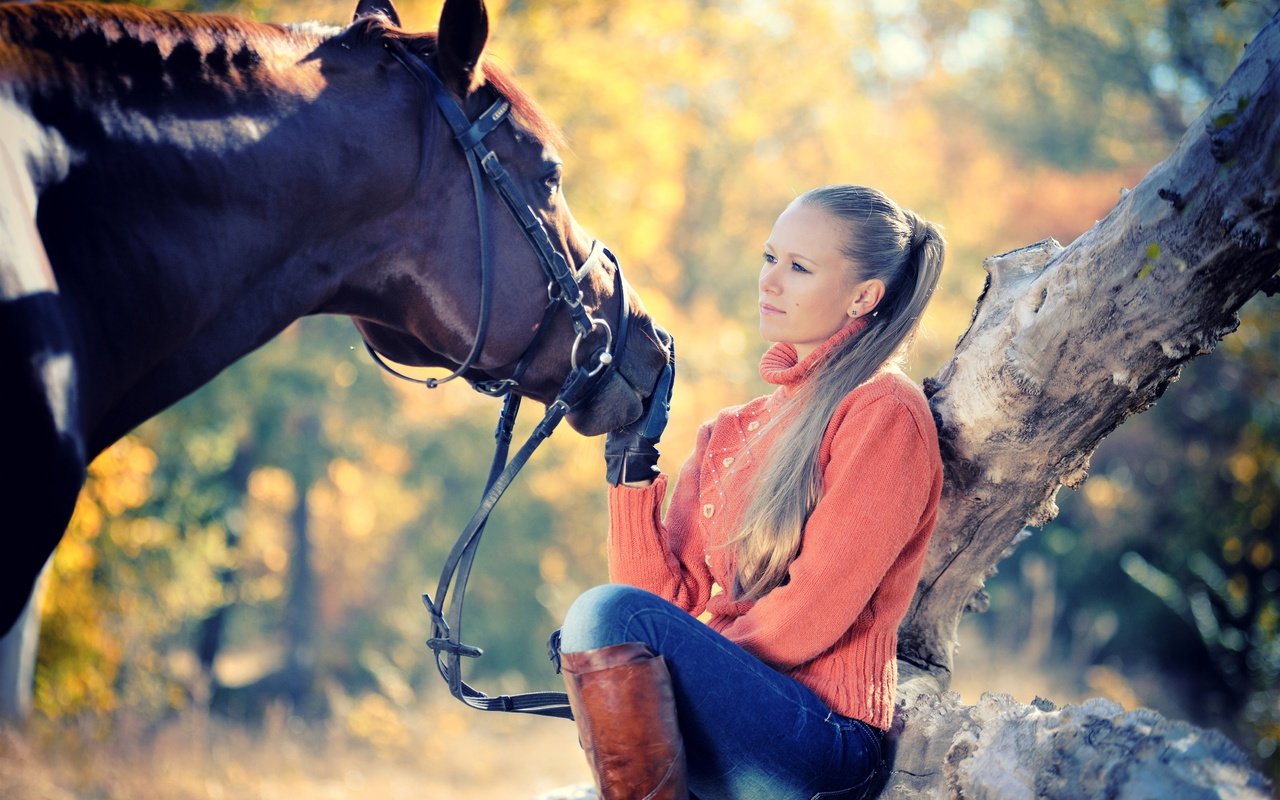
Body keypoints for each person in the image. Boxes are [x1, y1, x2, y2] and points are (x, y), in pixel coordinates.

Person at [556, 185, 947, 800]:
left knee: (604, 616)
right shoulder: (730, 432)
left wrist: (678, 669)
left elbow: (811, 611)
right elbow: (661, 599)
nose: (770, 282)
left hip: (824, 739)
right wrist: (628, 462)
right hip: (736, 725)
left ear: (863, 297)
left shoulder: (882, 411)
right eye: (770, 258)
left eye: (798, 267)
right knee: (607, 617)